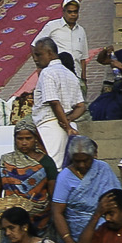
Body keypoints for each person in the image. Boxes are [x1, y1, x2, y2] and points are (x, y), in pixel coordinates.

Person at [29, 37, 84, 166]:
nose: (36, 59)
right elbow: (81, 106)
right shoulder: (70, 74)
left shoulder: (47, 73)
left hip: (50, 126)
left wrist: (67, 126)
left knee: (52, 166)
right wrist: (68, 120)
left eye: (38, 55)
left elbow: (54, 102)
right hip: (66, 125)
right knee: (63, 166)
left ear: (49, 53)